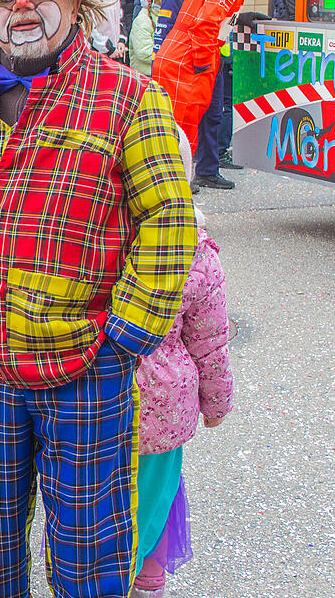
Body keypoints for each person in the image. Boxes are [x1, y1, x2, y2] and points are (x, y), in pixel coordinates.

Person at [0, 0, 196, 598]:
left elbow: (168, 222)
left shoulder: (130, 97)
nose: (22, 2)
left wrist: (126, 335)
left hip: (86, 366)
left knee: (88, 549)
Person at [131, 135, 234, 598]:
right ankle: (146, 576)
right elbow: (209, 343)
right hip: (165, 406)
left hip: (96, 399)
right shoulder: (196, 248)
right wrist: (216, 404)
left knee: (95, 503)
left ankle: (101, 574)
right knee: (157, 496)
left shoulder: (98, 232)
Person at [154, 0, 288, 189]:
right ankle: (174, 197)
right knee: (180, 139)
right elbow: (206, 23)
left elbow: (205, 10)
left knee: (174, 134)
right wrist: (204, 65)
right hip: (190, 57)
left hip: (180, 52)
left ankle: (175, 192)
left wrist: (237, 18)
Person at [129, 0, 170, 75]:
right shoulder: (142, 21)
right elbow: (143, 52)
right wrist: (170, 54)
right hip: (145, 76)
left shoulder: (162, 16)